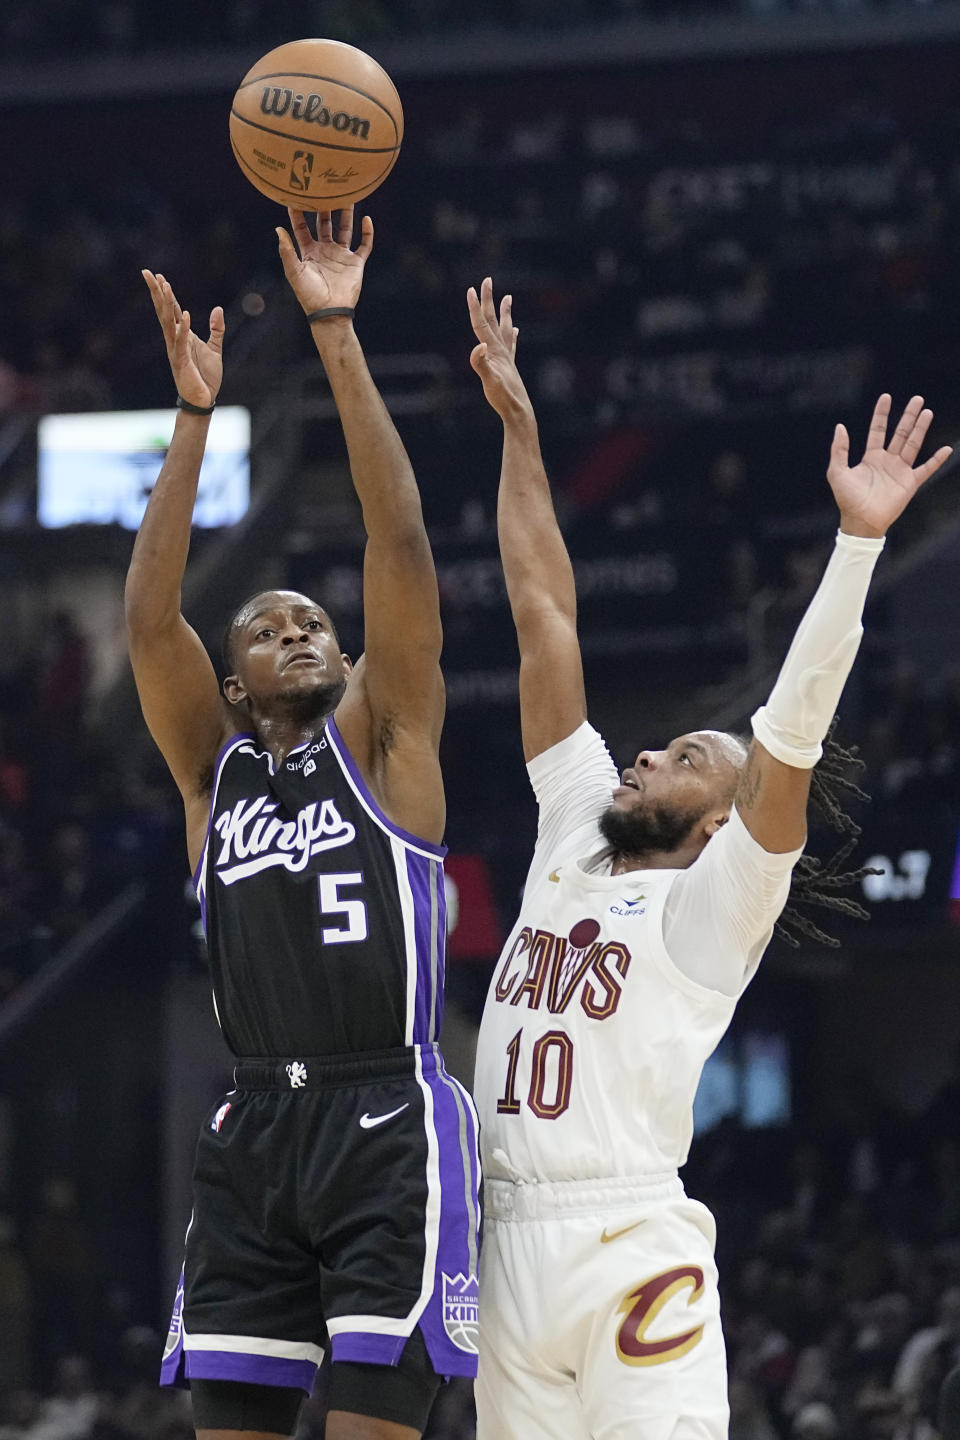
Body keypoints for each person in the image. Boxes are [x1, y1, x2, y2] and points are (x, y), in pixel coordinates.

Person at [465, 276, 952, 1440]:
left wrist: (854, 548)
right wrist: (519, 424)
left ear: (723, 822)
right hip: (504, 1247)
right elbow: (544, 610)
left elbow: (786, 737)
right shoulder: (576, 825)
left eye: (683, 756)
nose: (643, 753)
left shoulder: (715, 907)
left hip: (631, 1247)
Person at [125, 207, 480, 1440]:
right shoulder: (207, 776)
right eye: (268, 628)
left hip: (386, 1114)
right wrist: (191, 420)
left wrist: (334, 328)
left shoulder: (388, 741)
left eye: (314, 622)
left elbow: (399, 537)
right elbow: (149, 618)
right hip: (253, 1129)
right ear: (232, 686)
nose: (299, 629)